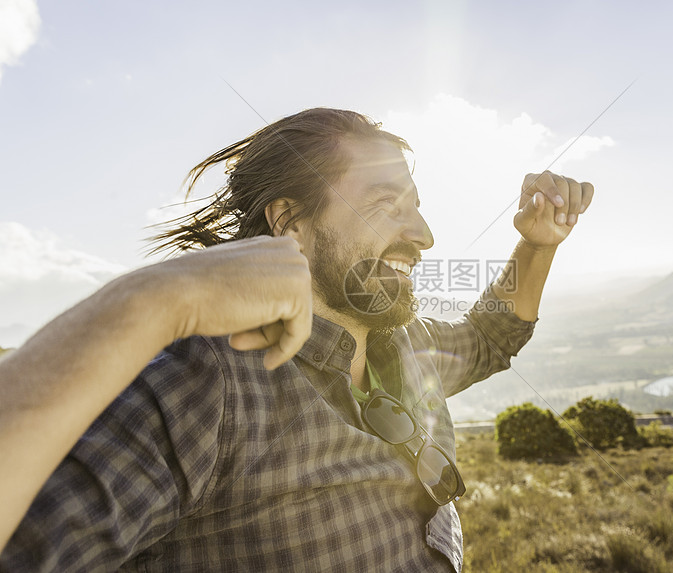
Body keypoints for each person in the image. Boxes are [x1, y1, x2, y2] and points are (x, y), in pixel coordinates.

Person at [0, 108, 593, 571]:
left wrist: (539, 243)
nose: (425, 236)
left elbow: (491, 338)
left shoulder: (407, 349)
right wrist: (154, 300)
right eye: (388, 206)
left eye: (417, 208)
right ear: (289, 223)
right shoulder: (207, 382)